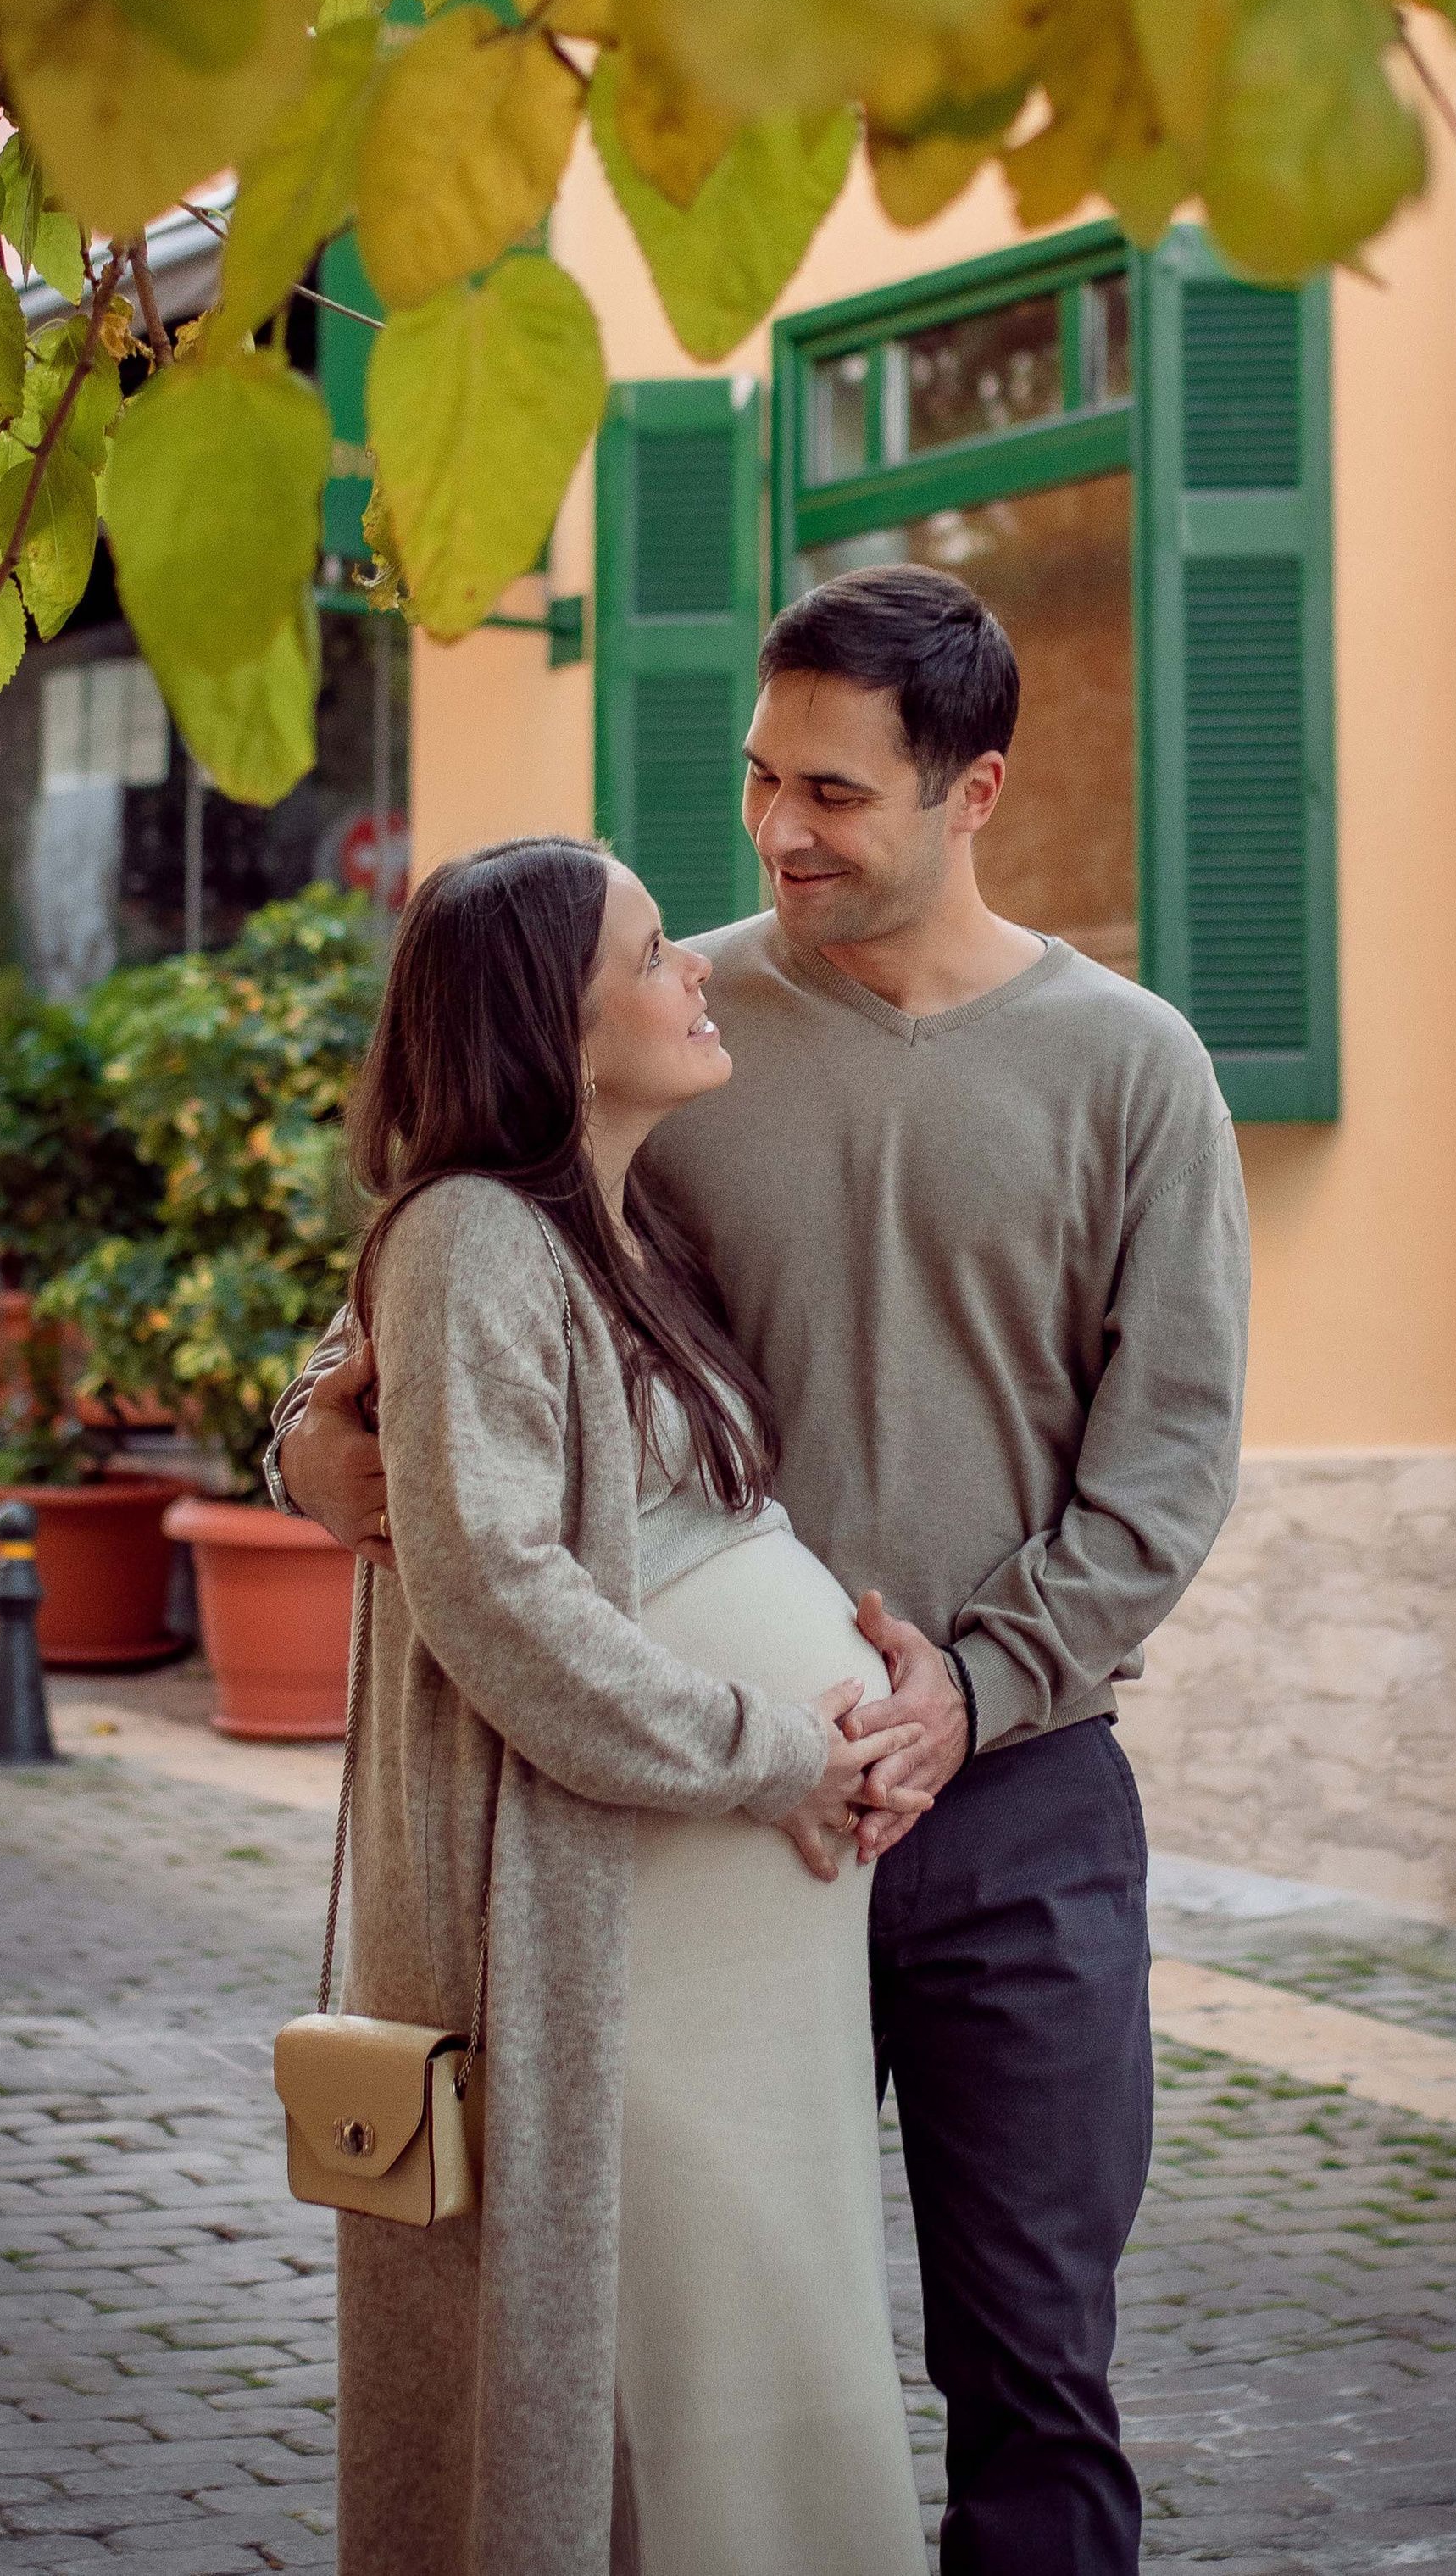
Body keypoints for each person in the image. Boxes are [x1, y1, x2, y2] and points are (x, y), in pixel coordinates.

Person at [278, 561, 1252, 2574]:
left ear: (970, 791)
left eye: (835, 796)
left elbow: (1163, 1468)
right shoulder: (656, 1020)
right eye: (760, 781)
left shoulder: (1133, 1066)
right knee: (713, 2348)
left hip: (1014, 1812)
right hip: (712, 1838)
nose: (778, 834)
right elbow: (403, 1321)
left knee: (1034, 2372)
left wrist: (962, 1690)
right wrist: (330, 1453)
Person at [315, 833, 936, 2576]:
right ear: (550, 1020)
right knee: (657, 2344)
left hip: (734, 1913)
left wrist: (845, 1699)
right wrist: (778, 1752)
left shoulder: (618, 1227)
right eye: (655, 954)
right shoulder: (468, 1240)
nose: (698, 974)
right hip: (625, 1908)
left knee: (755, 2320)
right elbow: (495, 1591)